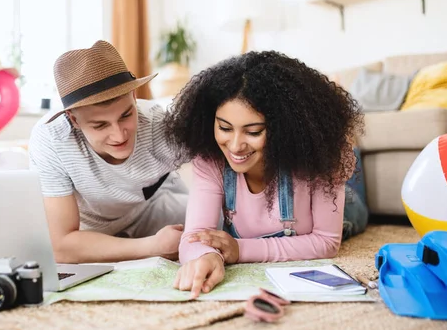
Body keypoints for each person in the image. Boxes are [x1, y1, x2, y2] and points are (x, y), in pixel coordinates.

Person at [164, 50, 368, 298]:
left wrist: (240, 250)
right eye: (225, 128)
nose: (236, 145)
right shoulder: (210, 160)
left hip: (346, 205)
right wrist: (205, 256)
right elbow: (195, 236)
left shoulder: (321, 159)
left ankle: (350, 146)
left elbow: (326, 242)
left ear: (284, 128)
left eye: (253, 131)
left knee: (350, 175)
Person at [28, 40, 188, 264]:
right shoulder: (51, 140)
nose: (119, 135)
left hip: (148, 213)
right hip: (87, 233)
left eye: (125, 115)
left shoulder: (158, 124)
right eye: (100, 125)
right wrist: (153, 246)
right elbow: (62, 247)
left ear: (134, 97)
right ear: (73, 119)